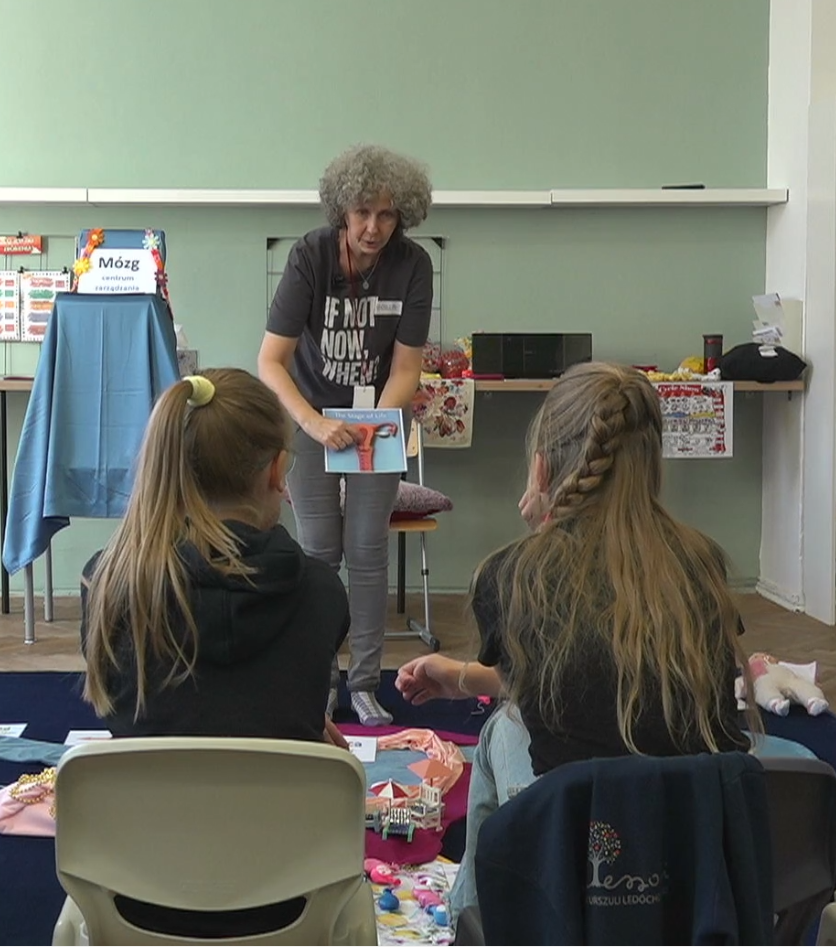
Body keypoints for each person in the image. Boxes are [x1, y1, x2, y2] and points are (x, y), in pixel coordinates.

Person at [398, 360, 767, 919]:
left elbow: (561, 681)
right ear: (652, 463)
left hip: (576, 834)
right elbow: (600, 669)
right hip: (695, 838)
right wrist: (464, 677)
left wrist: (540, 533)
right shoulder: (703, 562)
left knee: (502, 728)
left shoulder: (511, 573)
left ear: (541, 467)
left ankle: (474, 919)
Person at [258, 144, 433, 726]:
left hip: (377, 418)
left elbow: (406, 369)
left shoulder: (413, 265)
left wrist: (372, 428)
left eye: (386, 215)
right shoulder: (309, 256)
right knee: (319, 553)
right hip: (311, 417)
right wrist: (314, 423)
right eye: (362, 213)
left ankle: (362, 684)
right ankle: (315, 678)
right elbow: (270, 362)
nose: (373, 228)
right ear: (342, 210)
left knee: (366, 550)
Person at [82, 369, 349, 748]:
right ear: (276, 470)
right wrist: (297, 724)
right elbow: (251, 700)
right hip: (278, 787)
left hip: (149, 789)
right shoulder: (322, 593)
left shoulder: (106, 584)